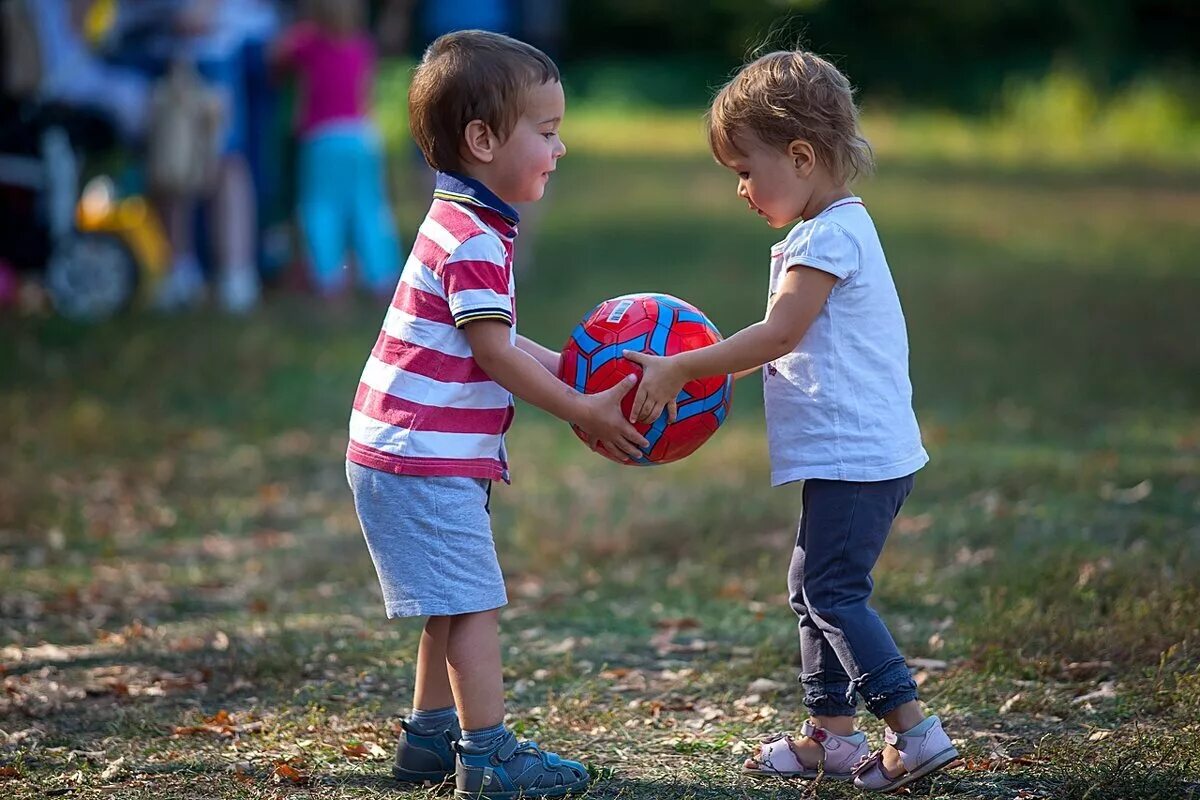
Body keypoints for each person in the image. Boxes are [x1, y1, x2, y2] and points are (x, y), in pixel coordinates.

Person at [623, 50, 959, 792]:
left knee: (833, 592)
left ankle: (914, 730)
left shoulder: (829, 238)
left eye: (745, 169)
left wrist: (683, 366)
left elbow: (779, 333)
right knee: (812, 587)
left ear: (801, 156)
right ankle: (832, 738)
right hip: (853, 455)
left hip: (857, 457)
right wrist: (712, 369)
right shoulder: (828, 231)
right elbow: (787, 338)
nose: (741, 189)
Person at [344, 30, 647, 799]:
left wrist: (576, 366)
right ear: (482, 140)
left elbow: (498, 338)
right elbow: (493, 355)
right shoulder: (474, 236)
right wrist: (580, 406)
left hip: (401, 450)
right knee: (474, 604)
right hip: (421, 455)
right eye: (545, 133)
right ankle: (489, 758)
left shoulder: (461, 219)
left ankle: (427, 740)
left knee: (447, 605)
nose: (562, 147)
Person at [271, 0, 399, 297]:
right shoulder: (363, 45)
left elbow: (275, 59)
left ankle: (329, 279)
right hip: (363, 135)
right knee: (369, 208)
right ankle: (381, 277)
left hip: (322, 138)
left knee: (321, 209)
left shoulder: (306, 42)